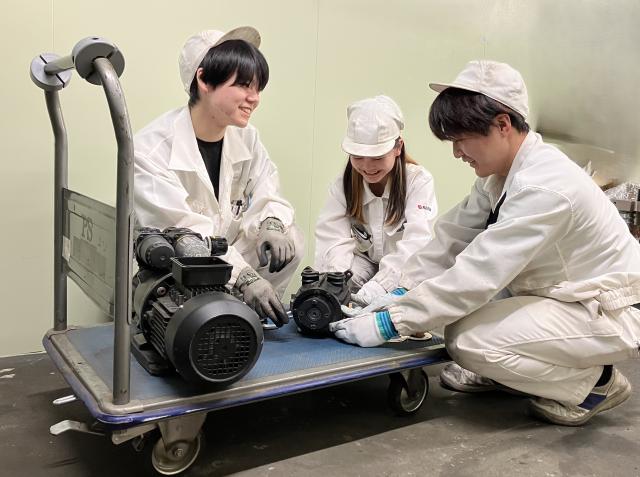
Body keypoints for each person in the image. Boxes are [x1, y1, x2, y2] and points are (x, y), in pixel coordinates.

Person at [330, 60, 640, 426]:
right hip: (563, 296)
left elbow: (477, 274)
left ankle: (594, 385)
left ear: (503, 125)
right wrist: (400, 290)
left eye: (461, 139)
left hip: (608, 311)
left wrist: (391, 322)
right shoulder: (500, 177)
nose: (456, 152)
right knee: (447, 309)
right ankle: (507, 373)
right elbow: (450, 238)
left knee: (466, 339)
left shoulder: (544, 187)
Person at [134, 27, 304, 327]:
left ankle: (252, 319)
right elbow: (186, 234)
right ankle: (228, 315)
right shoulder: (150, 150)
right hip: (174, 271)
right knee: (191, 264)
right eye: (243, 85)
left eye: (258, 87)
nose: (254, 98)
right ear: (203, 80)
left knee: (289, 238)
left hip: (223, 258)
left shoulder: (247, 138)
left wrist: (271, 224)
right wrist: (245, 277)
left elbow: (268, 188)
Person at [314, 95, 438, 307]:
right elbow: (333, 240)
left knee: (402, 304)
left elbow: (416, 243)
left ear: (398, 147)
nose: (367, 166)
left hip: (405, 265)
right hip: (364, 260)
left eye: (378, 157)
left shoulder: (418, 181)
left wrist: (379, 287)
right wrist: (335, 282)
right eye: (357, 157)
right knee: (336, 291)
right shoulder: (342, 185)